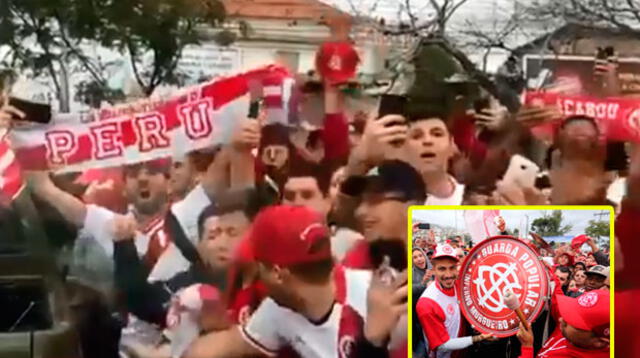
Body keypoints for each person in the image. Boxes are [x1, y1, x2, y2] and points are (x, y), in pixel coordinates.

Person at [185, 205, 407, 358]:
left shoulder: (384, 302)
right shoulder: (279, 308)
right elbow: (222, 346)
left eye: (259, 263)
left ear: (278, 274)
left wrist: (375, 339)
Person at [340, 160, 426, 270]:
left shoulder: (447, 255)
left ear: (412, 205)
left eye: (374, 200)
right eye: (361, 201)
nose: (359, 211)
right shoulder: (358, 259)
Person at [416, 244, 495, 358]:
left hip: (465, 351)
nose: (448, 275)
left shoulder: (459, 285)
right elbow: (442, 345)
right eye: (442, 269)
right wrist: (478, 338)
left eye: (452, 268)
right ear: (433, 270)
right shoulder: (426, 304)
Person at [517, 290, 609, 357]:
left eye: (574, 321)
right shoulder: (573, 335)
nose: (562, 319)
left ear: (600, 342)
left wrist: (527, 348)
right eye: (570, 312)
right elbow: (556, 297)